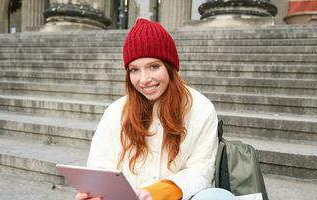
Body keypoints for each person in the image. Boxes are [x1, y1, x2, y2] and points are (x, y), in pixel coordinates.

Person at [75, 19, 236, 200]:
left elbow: (202, 170)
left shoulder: (200, 107)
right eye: (134, 70)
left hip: (178, 197)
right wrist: (96, 193)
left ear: (170, 67)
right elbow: (100, 165)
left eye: (153, 66)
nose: (143, 79)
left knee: (218, 197)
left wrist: (160, 192)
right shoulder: (115, 112)